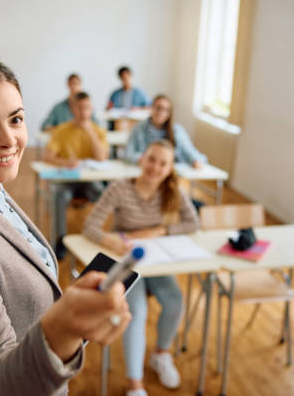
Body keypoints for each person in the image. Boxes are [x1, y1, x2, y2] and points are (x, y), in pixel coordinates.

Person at [0, 52, 130, 395]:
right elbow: (1, 383)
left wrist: (74, 313)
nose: (8, 138)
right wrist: (64, 326)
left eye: (15, 119)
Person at [83, 140, 200, 396]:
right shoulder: (119, 188)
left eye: (163, 163)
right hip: (127, 260)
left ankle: (161, 353)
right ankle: (134, 384)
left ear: (170, 169)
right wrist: (110, 239)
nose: (155, 167)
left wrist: (160, 230)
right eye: (151, 159)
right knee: (136, 310)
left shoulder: (173, 192)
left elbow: (193, 223)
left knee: (174, 300)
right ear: (141, 159)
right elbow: (90, 226)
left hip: (156, 260)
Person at [44, 91, 109, 257]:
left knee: (104, 195)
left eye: (86, 108)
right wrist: (65, 162)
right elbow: (48, 156)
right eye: (79, 108)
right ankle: (61, 237)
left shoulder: (98, 131)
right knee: (59, 195)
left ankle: (95, 234)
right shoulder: (62, 130)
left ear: (91, 108)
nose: (83, 112)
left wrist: (90, 132)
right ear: (72, 108)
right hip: (68, 180)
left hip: (90, 181)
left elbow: (101, 157)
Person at [125, 94, 208, 169]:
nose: (161, 113)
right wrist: (141, 159)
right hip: (146, 171)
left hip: (171, 173)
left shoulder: (176, 130)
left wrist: (195, 160)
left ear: (169, 113)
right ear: (151, 108)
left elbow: (190, 151)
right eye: (158, 108)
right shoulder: (139, 128)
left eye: (166, 110)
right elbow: (128, 153)